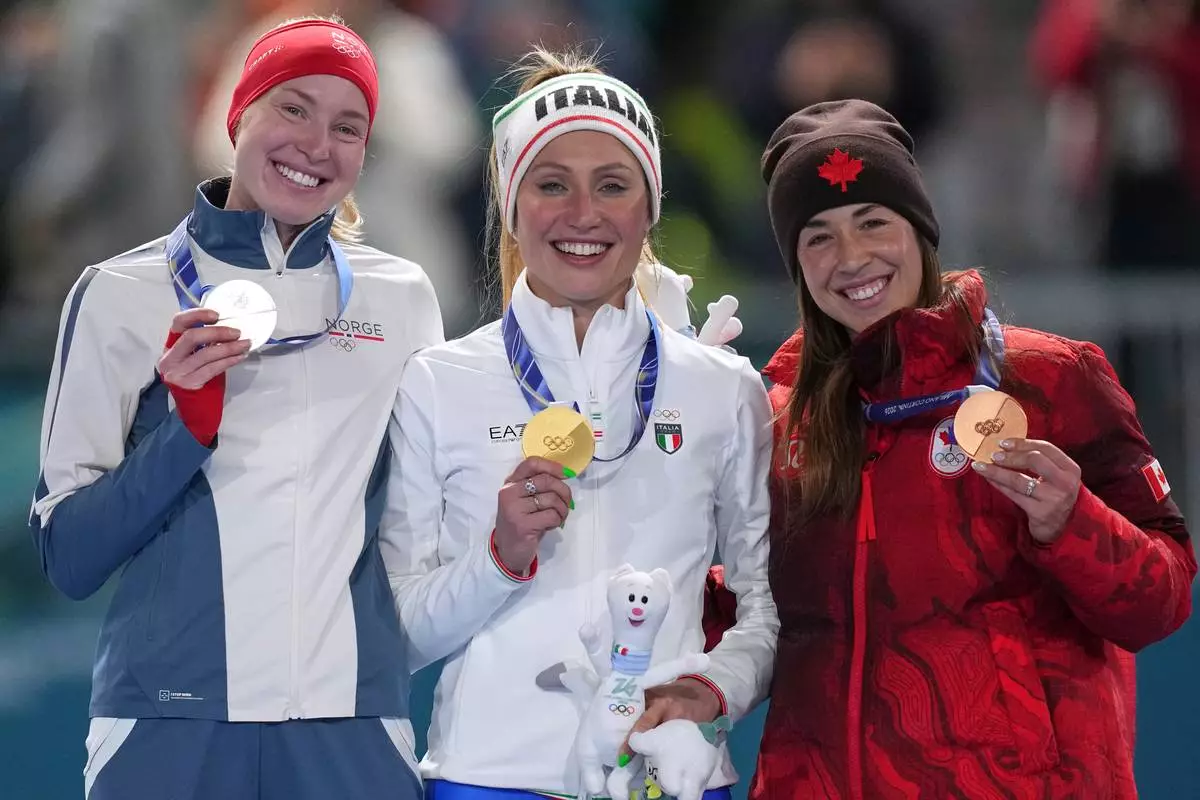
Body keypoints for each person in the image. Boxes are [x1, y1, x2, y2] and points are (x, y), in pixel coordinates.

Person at [29, 17, 440, 799]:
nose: (317, 144)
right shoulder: (121, 294)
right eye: (292, 108)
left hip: (349, 727)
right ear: (237, 114)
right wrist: (184, 431)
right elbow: (68, 559)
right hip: (166, 727)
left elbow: (419, 530)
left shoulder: (402, 299)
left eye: (346, 126)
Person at [746, 99, 1196, 798]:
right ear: (797, 267)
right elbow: (738, 620)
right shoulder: (774, 424)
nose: (853, 258)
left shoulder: (1051, 379)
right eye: (819, 238)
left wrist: (1071, 522)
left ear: (920, 231)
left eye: (873, 223)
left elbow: (1161, 601)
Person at [379, 47, 778, 800]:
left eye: (613, 185)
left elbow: (764, 608)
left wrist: (711, 690)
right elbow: (394, 637)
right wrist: (499, 557)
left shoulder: (722, 389)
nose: (583, 214)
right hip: (486, 780)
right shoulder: (439, 382)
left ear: (651, 206)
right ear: (510, 202)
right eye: (552, 184)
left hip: (669, 776)